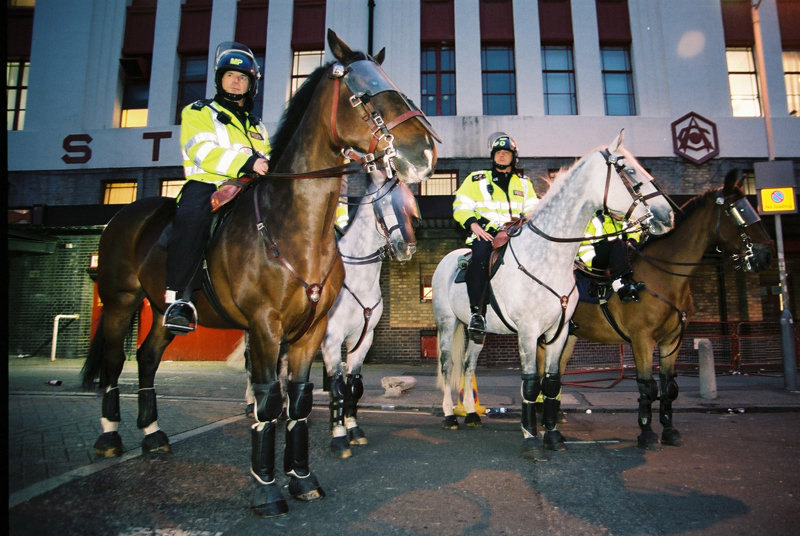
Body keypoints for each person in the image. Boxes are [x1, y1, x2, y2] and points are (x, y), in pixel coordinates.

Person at [163, 42, 271, 334]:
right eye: (230, 76)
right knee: (193, 220)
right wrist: (249, 162)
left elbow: (268, 158)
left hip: (249, 188)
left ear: (251, 85)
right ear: (219, 80)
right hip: (208, 185)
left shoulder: (257, 125)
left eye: (243, 77)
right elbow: (202, 150)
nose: (236, 82)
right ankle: (179, 298)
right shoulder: (198, 112)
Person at [453, 134, 539, 343]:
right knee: (480, 258)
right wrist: (474, 225)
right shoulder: (476, 178)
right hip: (486, 233)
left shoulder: (525, 183)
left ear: (513, 158)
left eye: (506, 153)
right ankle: (477, 314)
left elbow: (533, 209)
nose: (502, 156)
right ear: (493, 157)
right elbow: (461, 206)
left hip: (517, 234)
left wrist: (524, 221)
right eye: (498, 153)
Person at [577, 214, 644, 303]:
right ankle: (621, 286)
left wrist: (632, 241)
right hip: (597, 263)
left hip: (619, 260)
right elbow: (584, 248)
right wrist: (593, 268)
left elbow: (636, 231)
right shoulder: (596, 221)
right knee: (617, 243)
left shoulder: (626, 219)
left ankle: (626, 284)